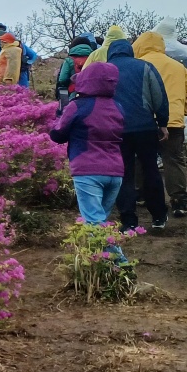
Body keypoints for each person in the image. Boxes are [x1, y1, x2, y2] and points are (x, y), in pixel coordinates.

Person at [49, 61, 128, 255]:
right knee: (99, 222)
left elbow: (57, 135)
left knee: (94, 224)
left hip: (87, 171)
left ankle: (121, 263)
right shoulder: (118, 106)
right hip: (116, 172)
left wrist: (61, 114)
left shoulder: (77, 106)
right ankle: (97, 264)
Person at [107, 36, 170, 231]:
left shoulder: (104, 69)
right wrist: (162, 122)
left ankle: (128, 220)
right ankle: (158, 217)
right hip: (145, 127)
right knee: (150, 169)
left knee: (123, 173)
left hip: (115, 128)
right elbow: (159, 96)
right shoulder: (145, 66)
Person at [134, 30, 187, 217]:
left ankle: (141, 195)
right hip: (174, 121)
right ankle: (179, 201)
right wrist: (181, 112)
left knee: (140, 159)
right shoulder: (178, 67)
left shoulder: (137, 65)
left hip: (143, 122)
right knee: (174, 161)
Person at [55, 37, 96, 112]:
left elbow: (62, 79)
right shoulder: (94, 58)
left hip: (74, 94)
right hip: (92, 95)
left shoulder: (69, 60)